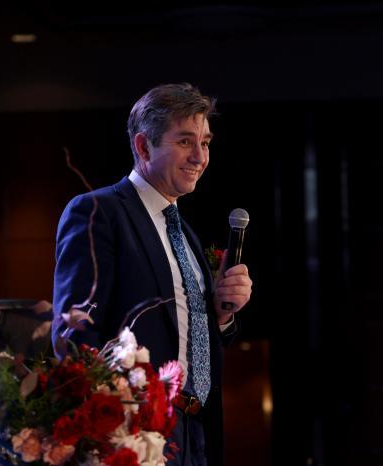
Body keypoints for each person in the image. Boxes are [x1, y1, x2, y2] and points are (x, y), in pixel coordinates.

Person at [52, 83, 252, 466]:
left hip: (195, 431)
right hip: (135, 433)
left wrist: (222, 314)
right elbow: (74, 336)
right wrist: (109, 431)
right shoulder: (100, 212)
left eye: (205, 143)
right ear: (144, 147)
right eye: (185, 141)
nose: (200, 157)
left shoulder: (185, 232)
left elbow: (191, 336)